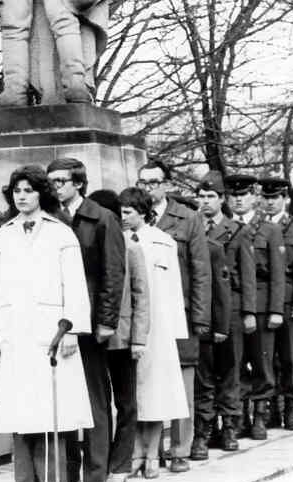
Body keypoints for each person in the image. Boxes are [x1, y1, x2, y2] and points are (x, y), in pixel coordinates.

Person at [0, 165, 93, 482]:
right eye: (17, 190)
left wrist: (71, 329)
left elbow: (74, 285)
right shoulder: (4, 235)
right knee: (20, 417)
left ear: (42, 193)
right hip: (14, 338)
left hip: (51, 337)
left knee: (51, 417)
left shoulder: (60, 233)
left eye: (28, 190)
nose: (22, 196)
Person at [47, 158, 125, 482]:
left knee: (95, 399)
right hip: (56, 322)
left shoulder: (101, 218)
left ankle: (96, 473)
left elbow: (112, 272)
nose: (55, 187)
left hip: (90, 323)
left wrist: (106, 321)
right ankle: (67, 472)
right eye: (51, 182)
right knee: (62, 400)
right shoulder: (48, 219)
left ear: (79, 183)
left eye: (62, 181)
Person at [136, 159, 210, 471]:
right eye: (144, 182)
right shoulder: (131, 217)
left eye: (155, 182)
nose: (149, 188)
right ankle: (148, 451)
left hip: (177, 314)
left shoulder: (187, 218)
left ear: (167, 184)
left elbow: (200, 271)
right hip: (144, 318)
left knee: (181, 382)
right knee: (145, 382)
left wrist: (200, 318)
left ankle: (179, 449)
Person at [117, 187, 189, 479]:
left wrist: (174, 332)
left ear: (143, 213)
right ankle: (134, 452)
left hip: (158, 328)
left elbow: (173, 290)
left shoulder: (163, 243)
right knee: (132, 393)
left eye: (128, 212)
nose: (123, 217)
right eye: (120, 211)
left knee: (157, 392)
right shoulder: (117, 241)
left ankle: (152, 455)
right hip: (130, 325)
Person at [193, 171, 255, 455]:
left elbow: (248, 274)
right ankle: (205, 430)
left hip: (230, 310)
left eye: (211, 197)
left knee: (230, 371)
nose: (205, 202)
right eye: (201, 196)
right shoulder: (193, 227)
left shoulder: (238, 231)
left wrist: (249, 312)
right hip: (202, 309)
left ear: (221, 199)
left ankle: (230, 426)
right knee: (203, 373)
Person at [90, 189, 149, 482]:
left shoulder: (131, 247)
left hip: (123, 339)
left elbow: (142, 297)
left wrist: (139, 338)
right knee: (98, 405)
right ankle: (98, 463)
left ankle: (121, 464)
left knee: (126, 403)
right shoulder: (85, 244)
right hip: (94, 339)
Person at [225, 173, 284, 440]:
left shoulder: (269, 230)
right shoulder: (225, 227)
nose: (238, 200)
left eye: (244, 195)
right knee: (234, 363)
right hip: (234, 305)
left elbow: (277, 274)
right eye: (234, 196)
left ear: (253, 197)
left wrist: (275, 310)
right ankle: (238, 416)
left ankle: (259, 416)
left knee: (261, 362)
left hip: (261, 306)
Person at [259, 175, 293, 431]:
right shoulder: (256, 227)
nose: (269, 203)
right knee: (265, 356)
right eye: (266, 198)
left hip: (290, 301)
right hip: (264, 300)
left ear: (285, 199)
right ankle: (270, 409)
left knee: (289, 357)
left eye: (275, 198)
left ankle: (291, 408)